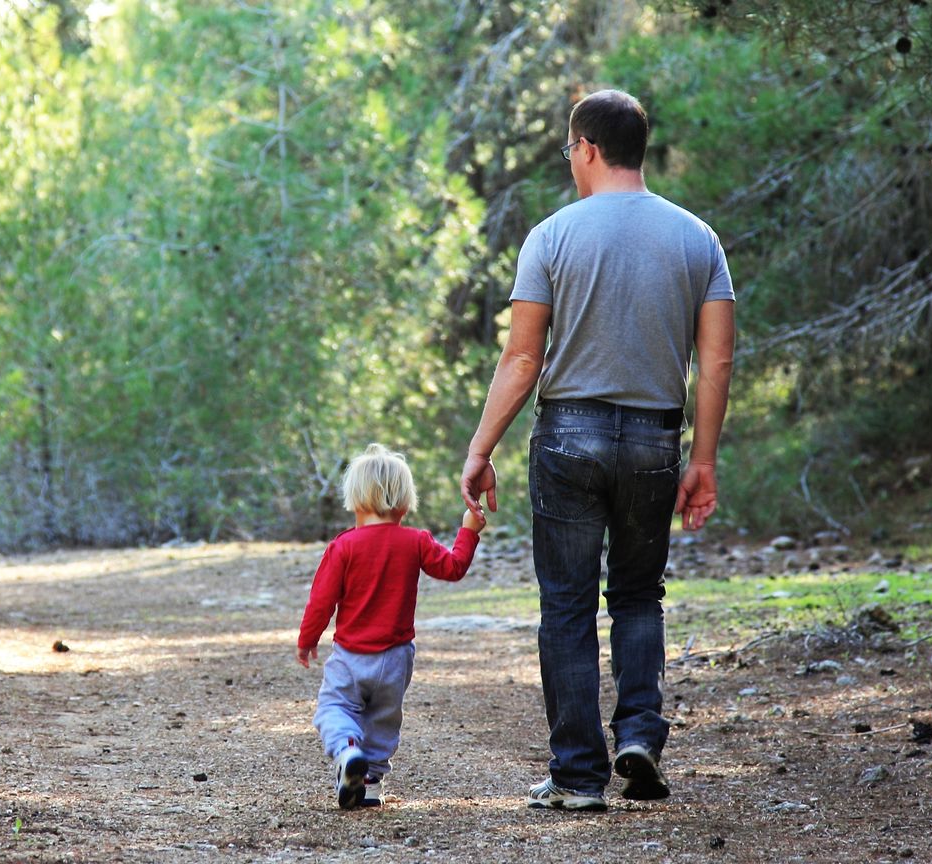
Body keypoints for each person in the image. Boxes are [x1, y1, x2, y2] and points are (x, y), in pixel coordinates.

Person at [460, 89, 735, 811]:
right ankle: (641, 732)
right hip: (654, 437)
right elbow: (717, 364)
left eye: (568, 150)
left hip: (568, 436)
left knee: (568, 606)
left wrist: (480, 447)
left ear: (586, 147)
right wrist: (701, 460)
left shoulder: (550, 236)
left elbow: (522, 362)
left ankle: (579, 776)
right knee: (640, 596)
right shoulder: (698, 239)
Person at [297, 443, 486, 809]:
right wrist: (468, 531)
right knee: (383, 721)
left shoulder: (344, 546)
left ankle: (348, 750)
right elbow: (453, 568)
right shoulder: (415, 541)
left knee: (333, 709)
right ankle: (368, 785)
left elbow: (321, 600)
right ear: (404, 500)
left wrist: (307, 640)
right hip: (397, 658)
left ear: (356, 498)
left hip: (351, 656)